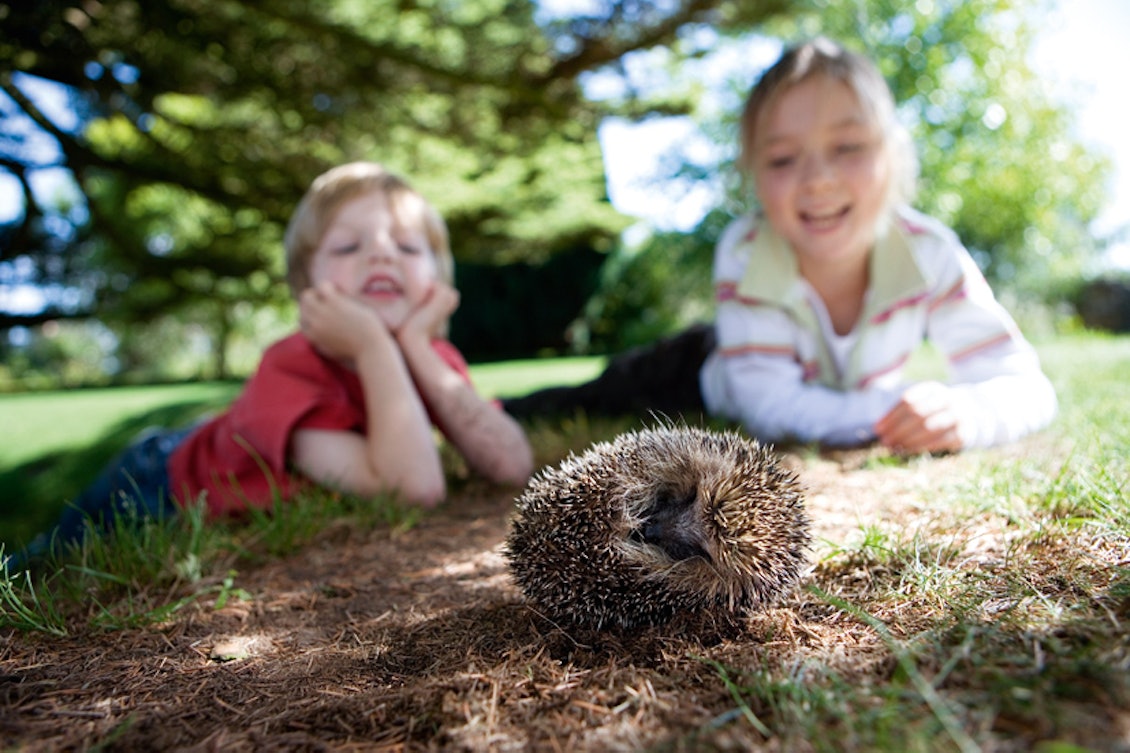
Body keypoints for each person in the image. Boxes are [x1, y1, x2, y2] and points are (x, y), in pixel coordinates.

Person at [504, 37, 1057, 455]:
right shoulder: (746, 250)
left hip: (815, 384)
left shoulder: (929, 253)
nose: (817, 179)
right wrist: (894, 407)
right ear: (753, 174)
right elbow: (770, 411)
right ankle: (485, 411)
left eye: (847, 146)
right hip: (700, 372)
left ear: (892, 154)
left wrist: (966, 413)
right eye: (783, 159)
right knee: (593, 397)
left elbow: (1026, 385)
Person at [14, 162, 533, 565]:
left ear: (439, 279)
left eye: (407, 246)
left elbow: (510, 463)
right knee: (41, 561)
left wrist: (417, 347)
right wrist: (375, 345)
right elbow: (414, 489)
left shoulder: (433, 358)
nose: (382, 255)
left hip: (197, 450)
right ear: (308, 287)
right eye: (350, 245)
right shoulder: (291, 366)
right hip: (156, 482)